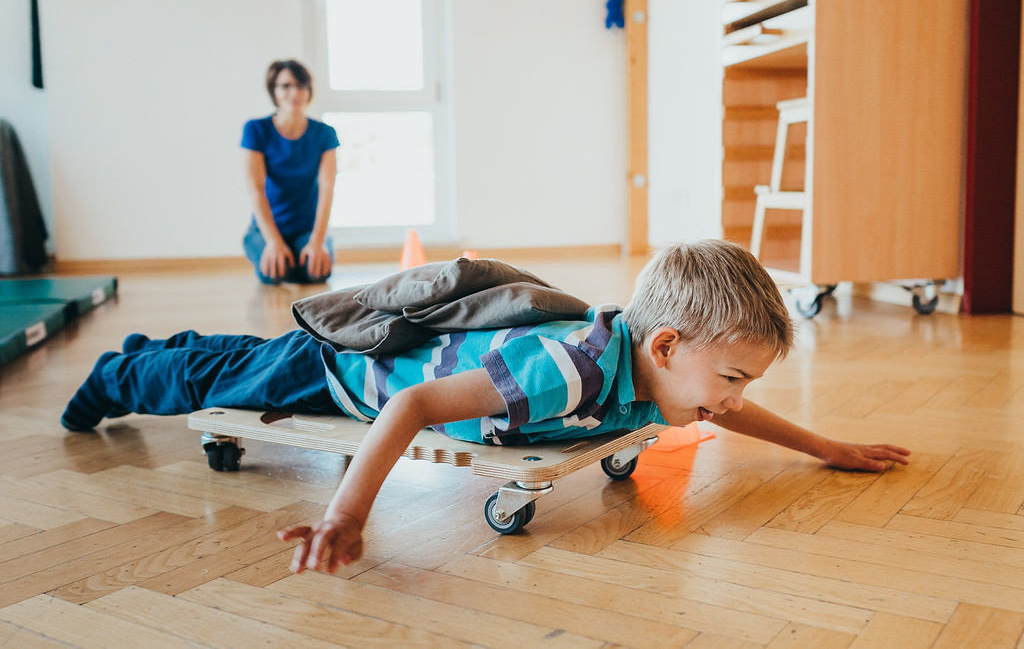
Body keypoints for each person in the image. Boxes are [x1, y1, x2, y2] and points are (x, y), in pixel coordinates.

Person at [60, 240, 911, 574]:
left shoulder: (665, 378)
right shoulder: (569, 372)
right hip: (350, 371)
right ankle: (118, 371)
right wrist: (349, 512)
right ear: (665, 349)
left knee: (215, 363)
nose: (732, 401)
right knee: (206, 374)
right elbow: (418, 405)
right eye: (733, 378)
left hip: (390, 377)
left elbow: (724, 413)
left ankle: (153, 359)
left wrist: (825, 445)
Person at [242, 59, 339, 285]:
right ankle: (278, 253)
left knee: (317, 273)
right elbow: (256, 190)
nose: (294, 92)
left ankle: (300, 255)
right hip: (267, 228)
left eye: (301, 86)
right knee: (274, 273)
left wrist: (317, 241)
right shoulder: (256, 130)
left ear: (308, 91)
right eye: (285, 86)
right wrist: (273, 242)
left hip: (307, 228)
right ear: (274, 91)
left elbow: (327, 190)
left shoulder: (325, 134)